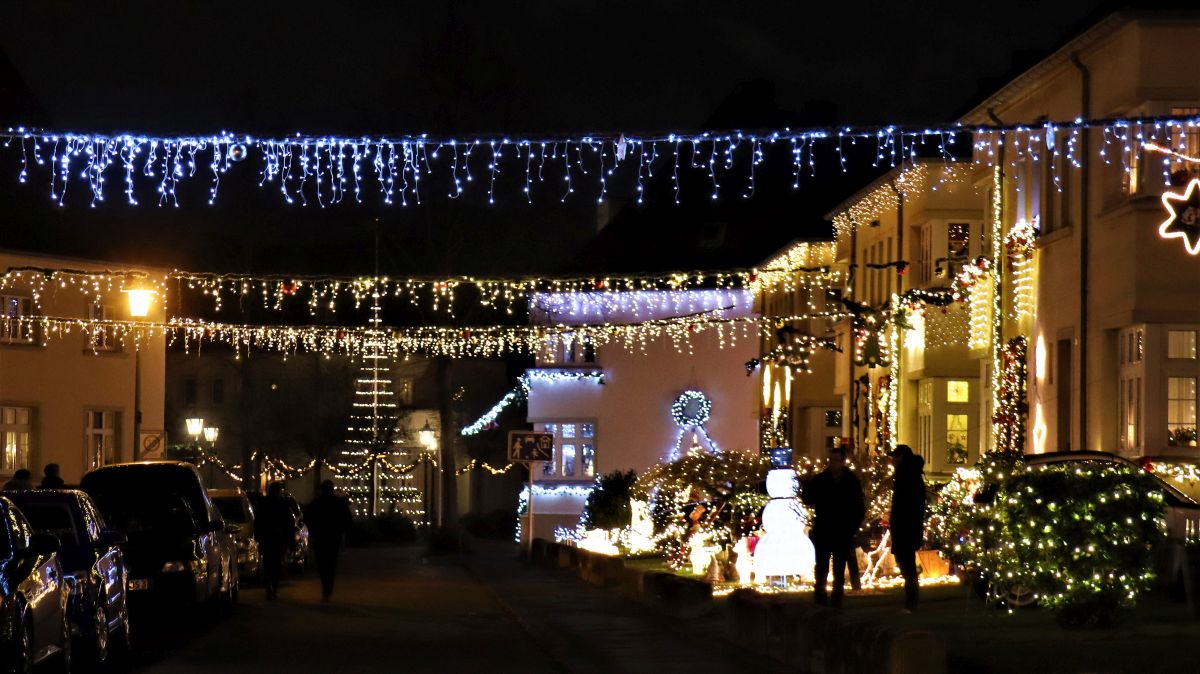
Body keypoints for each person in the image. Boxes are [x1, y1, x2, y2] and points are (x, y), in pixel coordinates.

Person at [801, 446, 864, 608]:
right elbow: (809, 499)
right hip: (824, 529)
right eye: (831, 460)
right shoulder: (821, 479)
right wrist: (807, 481)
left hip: (842, 530)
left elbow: (858, 507)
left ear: (843, 462)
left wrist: (851, 528)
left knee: (838, 568)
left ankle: (836, 600)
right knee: (821, 568)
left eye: (836, 460)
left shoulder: (851, 481)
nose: (833, 464)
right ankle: (820, 600)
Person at [889, 444, 927, 612]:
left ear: (901, 458)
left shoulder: (907, 478)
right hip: (906, 528)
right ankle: (911, 602)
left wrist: (899, 523)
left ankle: (911, 603)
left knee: (907, 566)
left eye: (895, 457)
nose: (892, 460)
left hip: (906, 528)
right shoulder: (909, 476)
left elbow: (907, 506)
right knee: (906, 565)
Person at [305, 480, 353, 602]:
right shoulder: (338, 503)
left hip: (321, 537)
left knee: (322, 564)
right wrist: (340, 531)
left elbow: (307, 518)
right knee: (331, 564)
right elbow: (348, 520)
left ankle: (326, 588)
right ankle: (328, 589)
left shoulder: (316, 503)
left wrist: (313, 531)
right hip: (332, 537)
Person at [255, 482, 296, 600]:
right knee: (276, 564)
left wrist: (258, 537)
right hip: (278, 538)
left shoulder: (264, 503)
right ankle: (274, 587)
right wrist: (290, 540)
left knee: (269, 563)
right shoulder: (283, 504)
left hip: (268, 538)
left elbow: (258, 522)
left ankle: (269, 587)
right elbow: (289, 524)